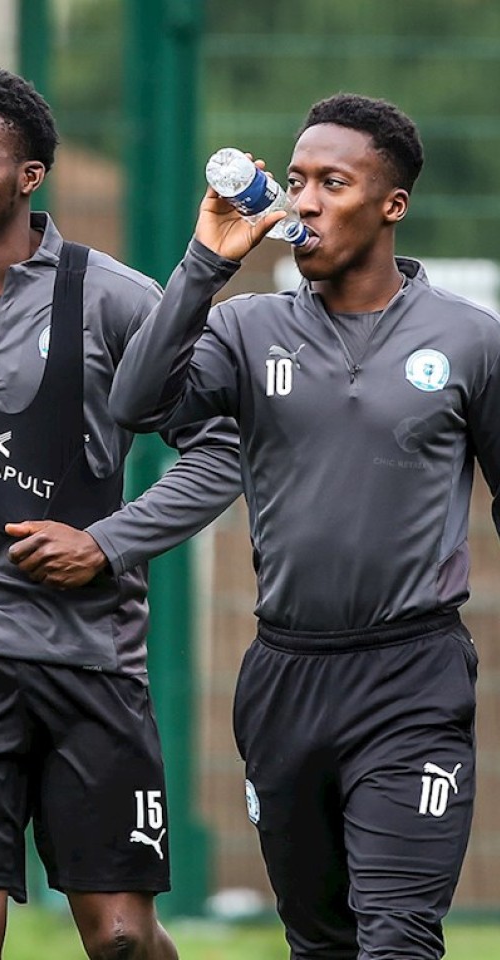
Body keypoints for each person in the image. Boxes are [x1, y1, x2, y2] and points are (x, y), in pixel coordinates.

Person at [0, 67, 242, 960]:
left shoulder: (116, 299)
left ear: (30, 176)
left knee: (121, 939)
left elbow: (220, 451)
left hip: (94, 663)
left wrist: (107, 544)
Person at [109, 93, 498, 960]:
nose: (306, 202)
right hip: (285, 678)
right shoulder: (247, 329)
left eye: (333, 183)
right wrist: (205, 265)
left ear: (391, 205)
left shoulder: (471, 340)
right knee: (321, 942)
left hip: (413, 675)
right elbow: (135, 404)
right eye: (296, 181)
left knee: (398, 936)